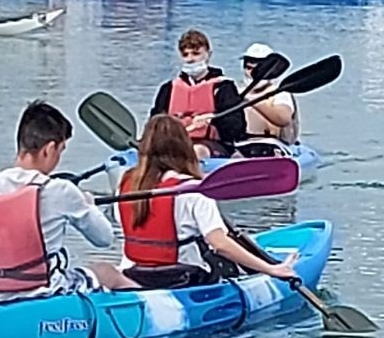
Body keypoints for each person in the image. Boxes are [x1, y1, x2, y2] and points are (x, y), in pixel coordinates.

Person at [0, 101, 136, 299]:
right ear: (49, 149)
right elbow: (104, 239)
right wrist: (88, 205)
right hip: (47, 293)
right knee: (106, 272)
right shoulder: (61, 190)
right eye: (60, 151)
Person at [103, 115, 298, 290]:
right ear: (184, 148)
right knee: (224, 260)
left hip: (134, 273)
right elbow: (220, 244)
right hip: (184, 279)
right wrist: (271, 270)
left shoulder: (125, 184)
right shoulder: (194, 189)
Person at [150, 29, 246, 160]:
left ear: (208, 54)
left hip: (213, 145)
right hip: (176, 144)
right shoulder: (168, 89)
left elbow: (237, 130)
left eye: (196, 53)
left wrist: (213, 118)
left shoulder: (223, 87)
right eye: (185, 55)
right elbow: (154, 123)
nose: (190, 59)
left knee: (195, 151)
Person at [239, 42, 300, 146]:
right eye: (248, 68)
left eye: (256, 70)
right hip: (241, 144)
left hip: (275, 145)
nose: (251, 74)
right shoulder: (237, 91)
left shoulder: (280, 93)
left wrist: (253, 101)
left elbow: (283, 119)